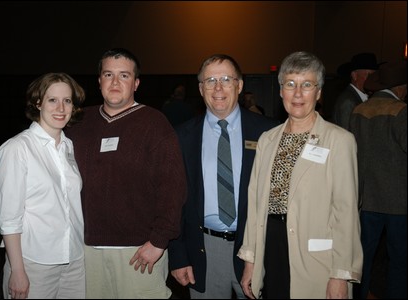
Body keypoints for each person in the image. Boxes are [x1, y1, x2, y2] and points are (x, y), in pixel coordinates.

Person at [238, 51, 363, 299]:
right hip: (271, 249)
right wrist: (251, 259)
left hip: (317, 260)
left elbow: (346, 213)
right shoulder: (268, 139)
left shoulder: (339, 141)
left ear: (318, 93)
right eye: (290, 84)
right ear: (281, 90)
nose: (297, 93)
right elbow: (255, 204)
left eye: (307, 85)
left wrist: (340, 274)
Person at [64, 48, 187, 299]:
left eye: (124, 75)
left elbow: (173, 187)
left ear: (136, 83)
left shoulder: (154, 123)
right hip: (86, 250)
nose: (115, 82)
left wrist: (159, 241)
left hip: (138, 251)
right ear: (99, 81)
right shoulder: (78, 122)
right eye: (108, 74)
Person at [167, 54, 279, 299]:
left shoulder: (268, 133)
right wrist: (177, 255)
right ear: (200, 88)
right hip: (203, 249)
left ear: (239, 85)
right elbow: (172, 202)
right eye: (210, 81)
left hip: (255, 248)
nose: (218, 88)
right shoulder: (181, 136)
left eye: (226, 79)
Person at [0, 72, 86, 299]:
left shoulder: (69, 147)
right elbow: (8, 217)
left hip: (74, 260)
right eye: (52, 100)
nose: (61, 108)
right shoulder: (17, 149)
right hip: (34, 263)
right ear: (38, 103)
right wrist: (17, 270)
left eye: (67, 100)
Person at [349, 61, 407, 299]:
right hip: (399, 203)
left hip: (365, 199)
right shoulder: (402, 111)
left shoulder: (358, 111)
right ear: (401, 87)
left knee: (362, 259)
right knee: (399, 261)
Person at [332, 52, 379, 130]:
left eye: (374, 75)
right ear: (354, 75)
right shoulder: (348, 102)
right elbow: (347, 136)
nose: (373, 79)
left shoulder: (363, 98)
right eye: (369, 75)